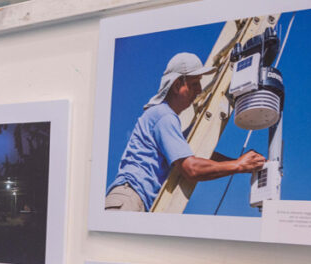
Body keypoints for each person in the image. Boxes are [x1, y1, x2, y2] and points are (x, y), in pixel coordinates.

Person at [104, 52, 267, 212]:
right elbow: (192, 168)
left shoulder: (166, 121)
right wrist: (238, 165)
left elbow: (199, 154)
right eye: (194, 83)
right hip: (130, 199)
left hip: (136, 201)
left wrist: (240, 162)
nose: (199, 90)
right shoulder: (164, 115)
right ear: (177, 85)